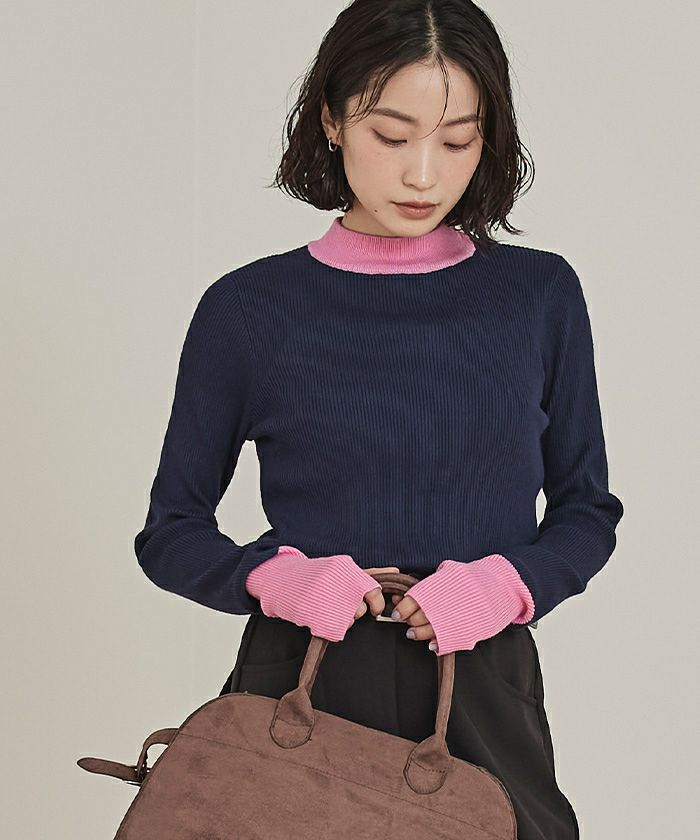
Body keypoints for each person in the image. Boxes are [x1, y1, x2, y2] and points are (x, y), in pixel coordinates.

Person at [134, 2, 624, 838]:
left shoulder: (537, 295)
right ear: (331, 120)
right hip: (302, 676)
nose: (423, 175)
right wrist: (278, 578)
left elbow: (588, 512)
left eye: (458, 141)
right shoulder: (248, 308)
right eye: (391, 137)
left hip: (480, 682)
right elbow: (170, 532)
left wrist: (504, 586)